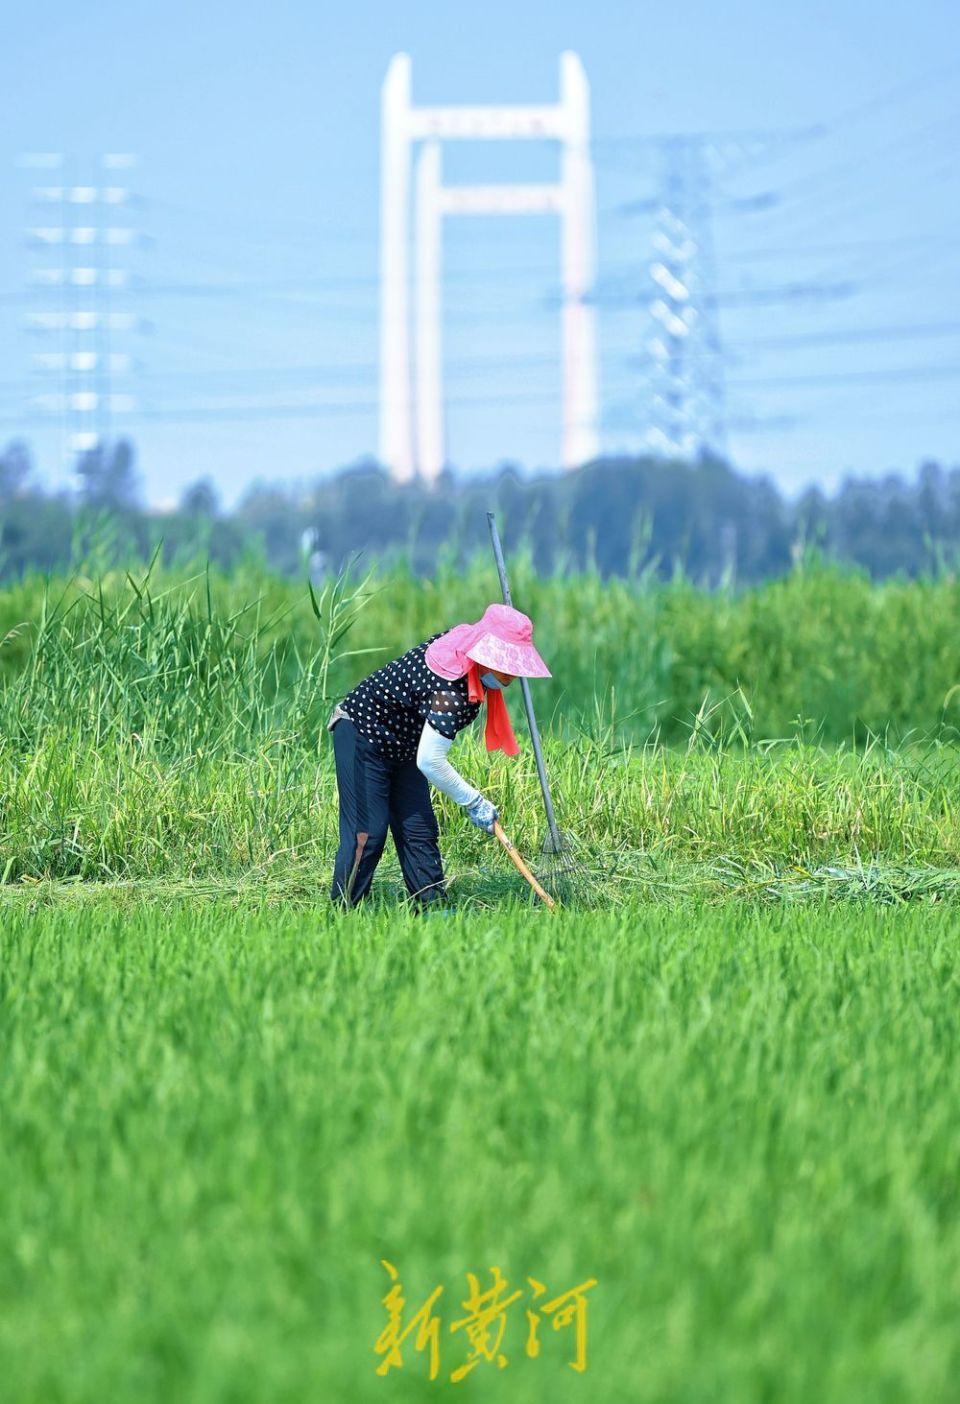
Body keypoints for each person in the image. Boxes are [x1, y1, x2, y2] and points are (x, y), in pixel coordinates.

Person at [328, 602, 551, 909]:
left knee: (419, 829)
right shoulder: (452, 692)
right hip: (362, 732)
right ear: (484, 654)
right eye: (506, 663)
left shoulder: (465, 649)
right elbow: (430, 761)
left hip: (405, 743)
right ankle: (343, 914)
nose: (512, 674)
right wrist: (474, 802)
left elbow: (422, 753)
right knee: (369, 833)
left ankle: (433, 912)